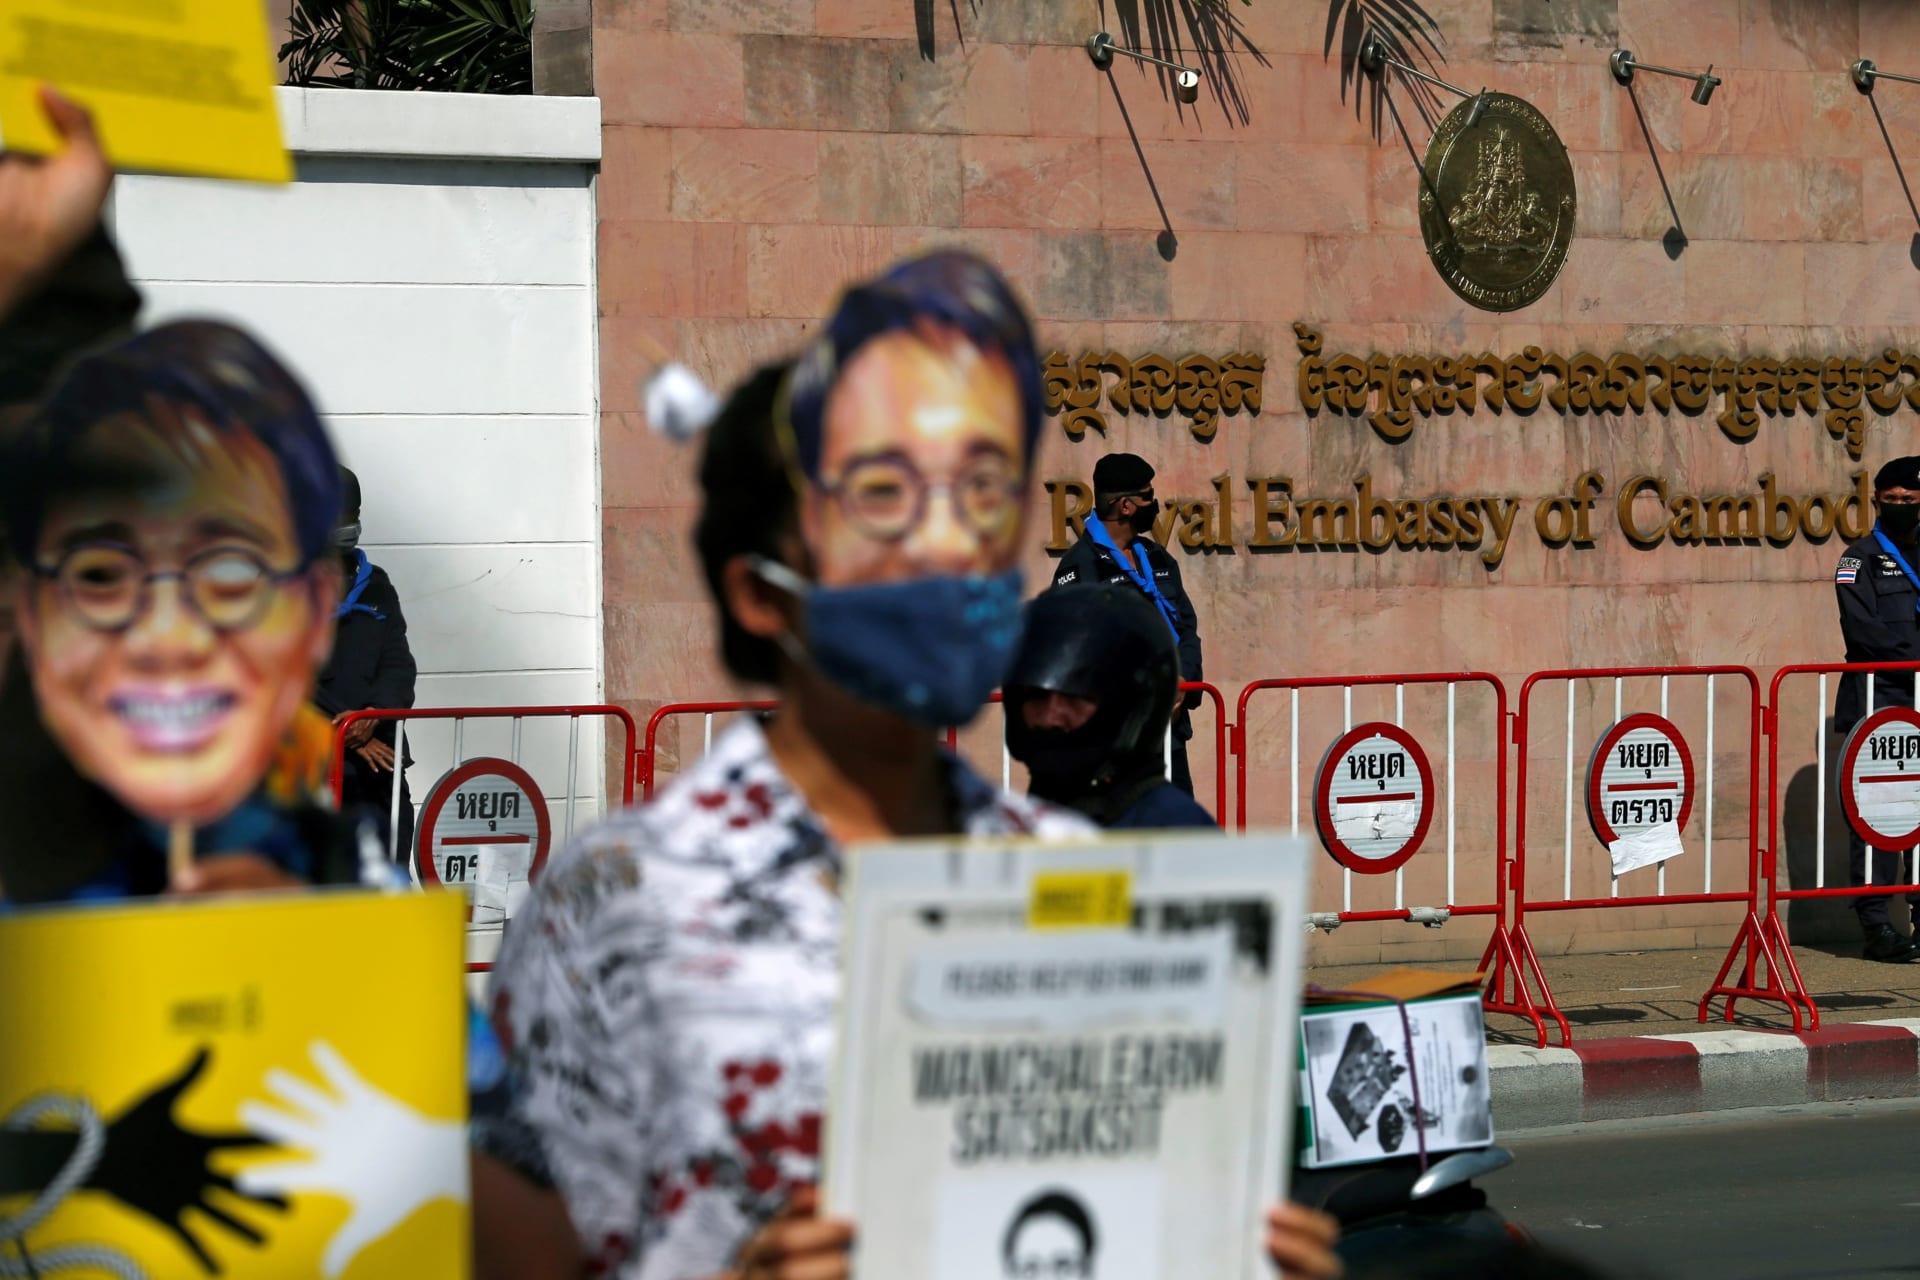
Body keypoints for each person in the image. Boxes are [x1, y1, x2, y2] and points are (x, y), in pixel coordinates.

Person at [484, 251, 1339, 1280]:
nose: (951, 548)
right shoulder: (619, 904)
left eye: (981, 493)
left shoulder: (1071, 870)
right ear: (762, 593)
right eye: (886, 501)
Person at [1050, 452, 1204, 795]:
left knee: (1185, 840)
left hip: (1168, 739)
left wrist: (1183, 681)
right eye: (1147, 496)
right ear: (1125, 506)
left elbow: (1187, 629)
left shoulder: (1157, 558)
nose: (1155, 503)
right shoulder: (1081, 568)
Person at [1004, 583, 1215, 829]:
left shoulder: (1177, 829)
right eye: (1036, 695)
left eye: (1077, 696)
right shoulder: (1001, 827)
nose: (1051, 716)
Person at [1833, 454, 1920, 963]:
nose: (1902, 507)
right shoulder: (1857, 560)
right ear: (1877, 502)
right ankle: (1876, 925)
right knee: (1881, 816)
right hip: (1881, 700)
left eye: (1911, 501)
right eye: (1893, 500)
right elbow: (1864, 632)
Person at [313, 465, 418, 860]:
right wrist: (351, 726)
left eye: (353, 516)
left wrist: (376, 713)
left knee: (389, 868)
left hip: (381, 762)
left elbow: (399, 664)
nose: (348, 526)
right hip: (314, 759)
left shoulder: (376, 584)